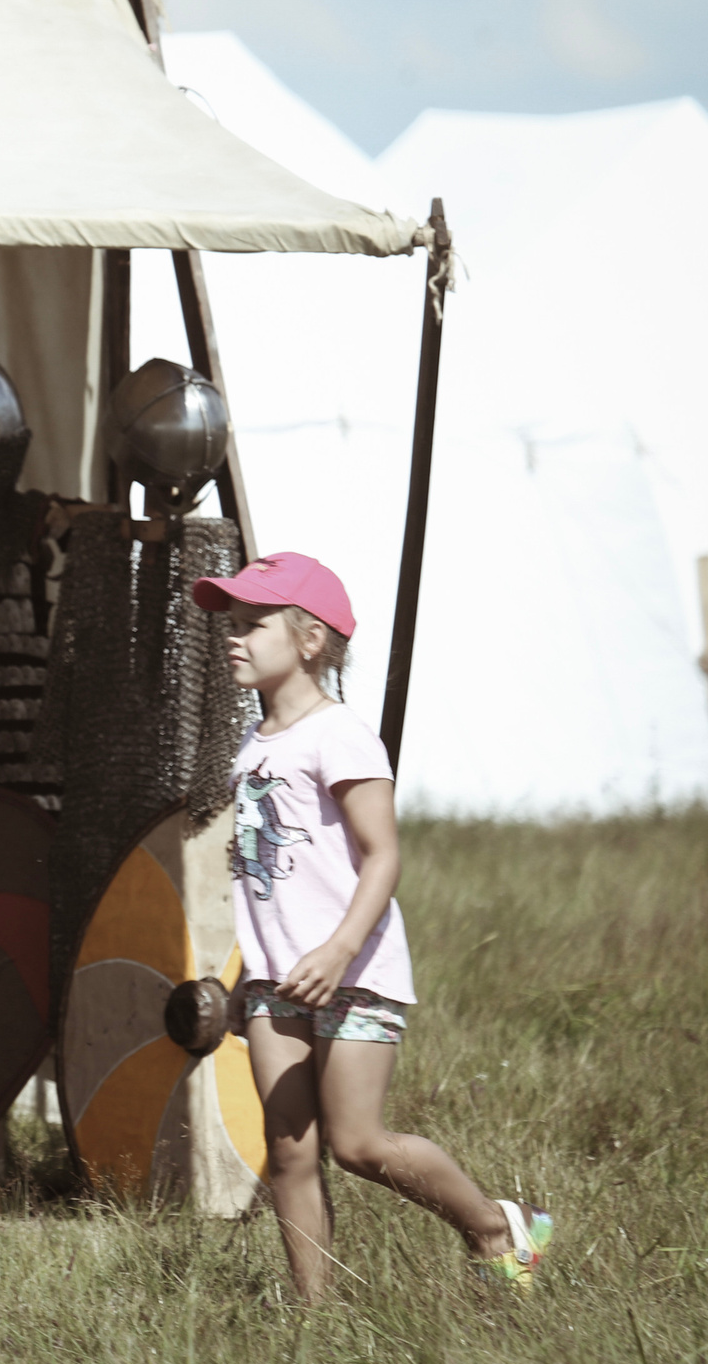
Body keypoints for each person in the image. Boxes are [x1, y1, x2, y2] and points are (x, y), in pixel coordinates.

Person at [195, 552, 552, 1298]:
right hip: (274, 981)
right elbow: (262, 884)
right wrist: (242, 975)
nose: (233, 638)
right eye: (231, 625)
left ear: (308, 641)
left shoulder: (340, 736)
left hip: (352, 973)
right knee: (289, 1149)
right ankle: (314, 1319)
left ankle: (495, 1226)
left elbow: (383, 857)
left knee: (356, 1142)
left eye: (252, 624)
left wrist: (340, 948)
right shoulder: (253, 746)